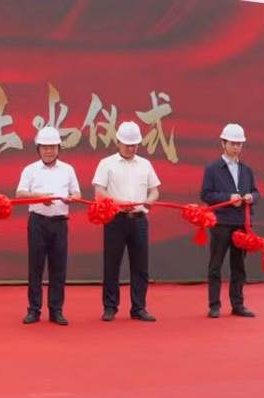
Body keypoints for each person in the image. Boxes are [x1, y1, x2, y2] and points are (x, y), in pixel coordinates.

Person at [92, 121, 160, 322]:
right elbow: (99, 192)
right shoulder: (107, 163)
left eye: (134, 145)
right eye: (127, 144)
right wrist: (119, 203)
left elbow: (154, 190)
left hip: (139, 219)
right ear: (118, 142)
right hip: (115, 219)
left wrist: (150, 200)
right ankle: (110, 307)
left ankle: (139, 307)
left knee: (140, 265)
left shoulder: (145, 164)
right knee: (111, 264)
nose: (131, 148)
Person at [16, 126, 81, 325]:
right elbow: (20, 194)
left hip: (60, 223)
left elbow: (77, 193)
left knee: (58, 268)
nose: (49, 151)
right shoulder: (30, 169)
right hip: (38, 222)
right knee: (35, 268)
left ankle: (56, 310)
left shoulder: (68, 169)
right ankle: (34, 310)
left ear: (59, 148)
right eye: (45, 147)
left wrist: (71, 198)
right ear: (38, 149)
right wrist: (39, 197)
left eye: (52, 147)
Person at [200, 123, 259, 318]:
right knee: (215, 265)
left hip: (241, 224)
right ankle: (214, 305)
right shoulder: (212, 169)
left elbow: (256, 192)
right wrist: (228, 197)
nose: (236, 147)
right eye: (232, 143)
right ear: (223, 143)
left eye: (239, 144)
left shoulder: (246, 170)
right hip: (221, 223)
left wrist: (251, 197)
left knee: (239, 266)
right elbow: (206, 195)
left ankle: (238, 305)